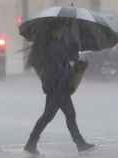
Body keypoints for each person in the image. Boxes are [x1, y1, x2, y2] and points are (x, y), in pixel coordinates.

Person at [24, 24, 95, 155]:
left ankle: (31, 143)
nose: (63, 31)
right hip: (57, 87)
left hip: (57, 86)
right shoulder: (54, 46)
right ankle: (79, 143)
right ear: (54, 31)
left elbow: (67, 60)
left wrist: (74, 53)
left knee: (54, 116)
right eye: (61, 29)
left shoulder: (57, 44)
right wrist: (74, 54)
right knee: (59, 116)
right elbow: (59, 67)